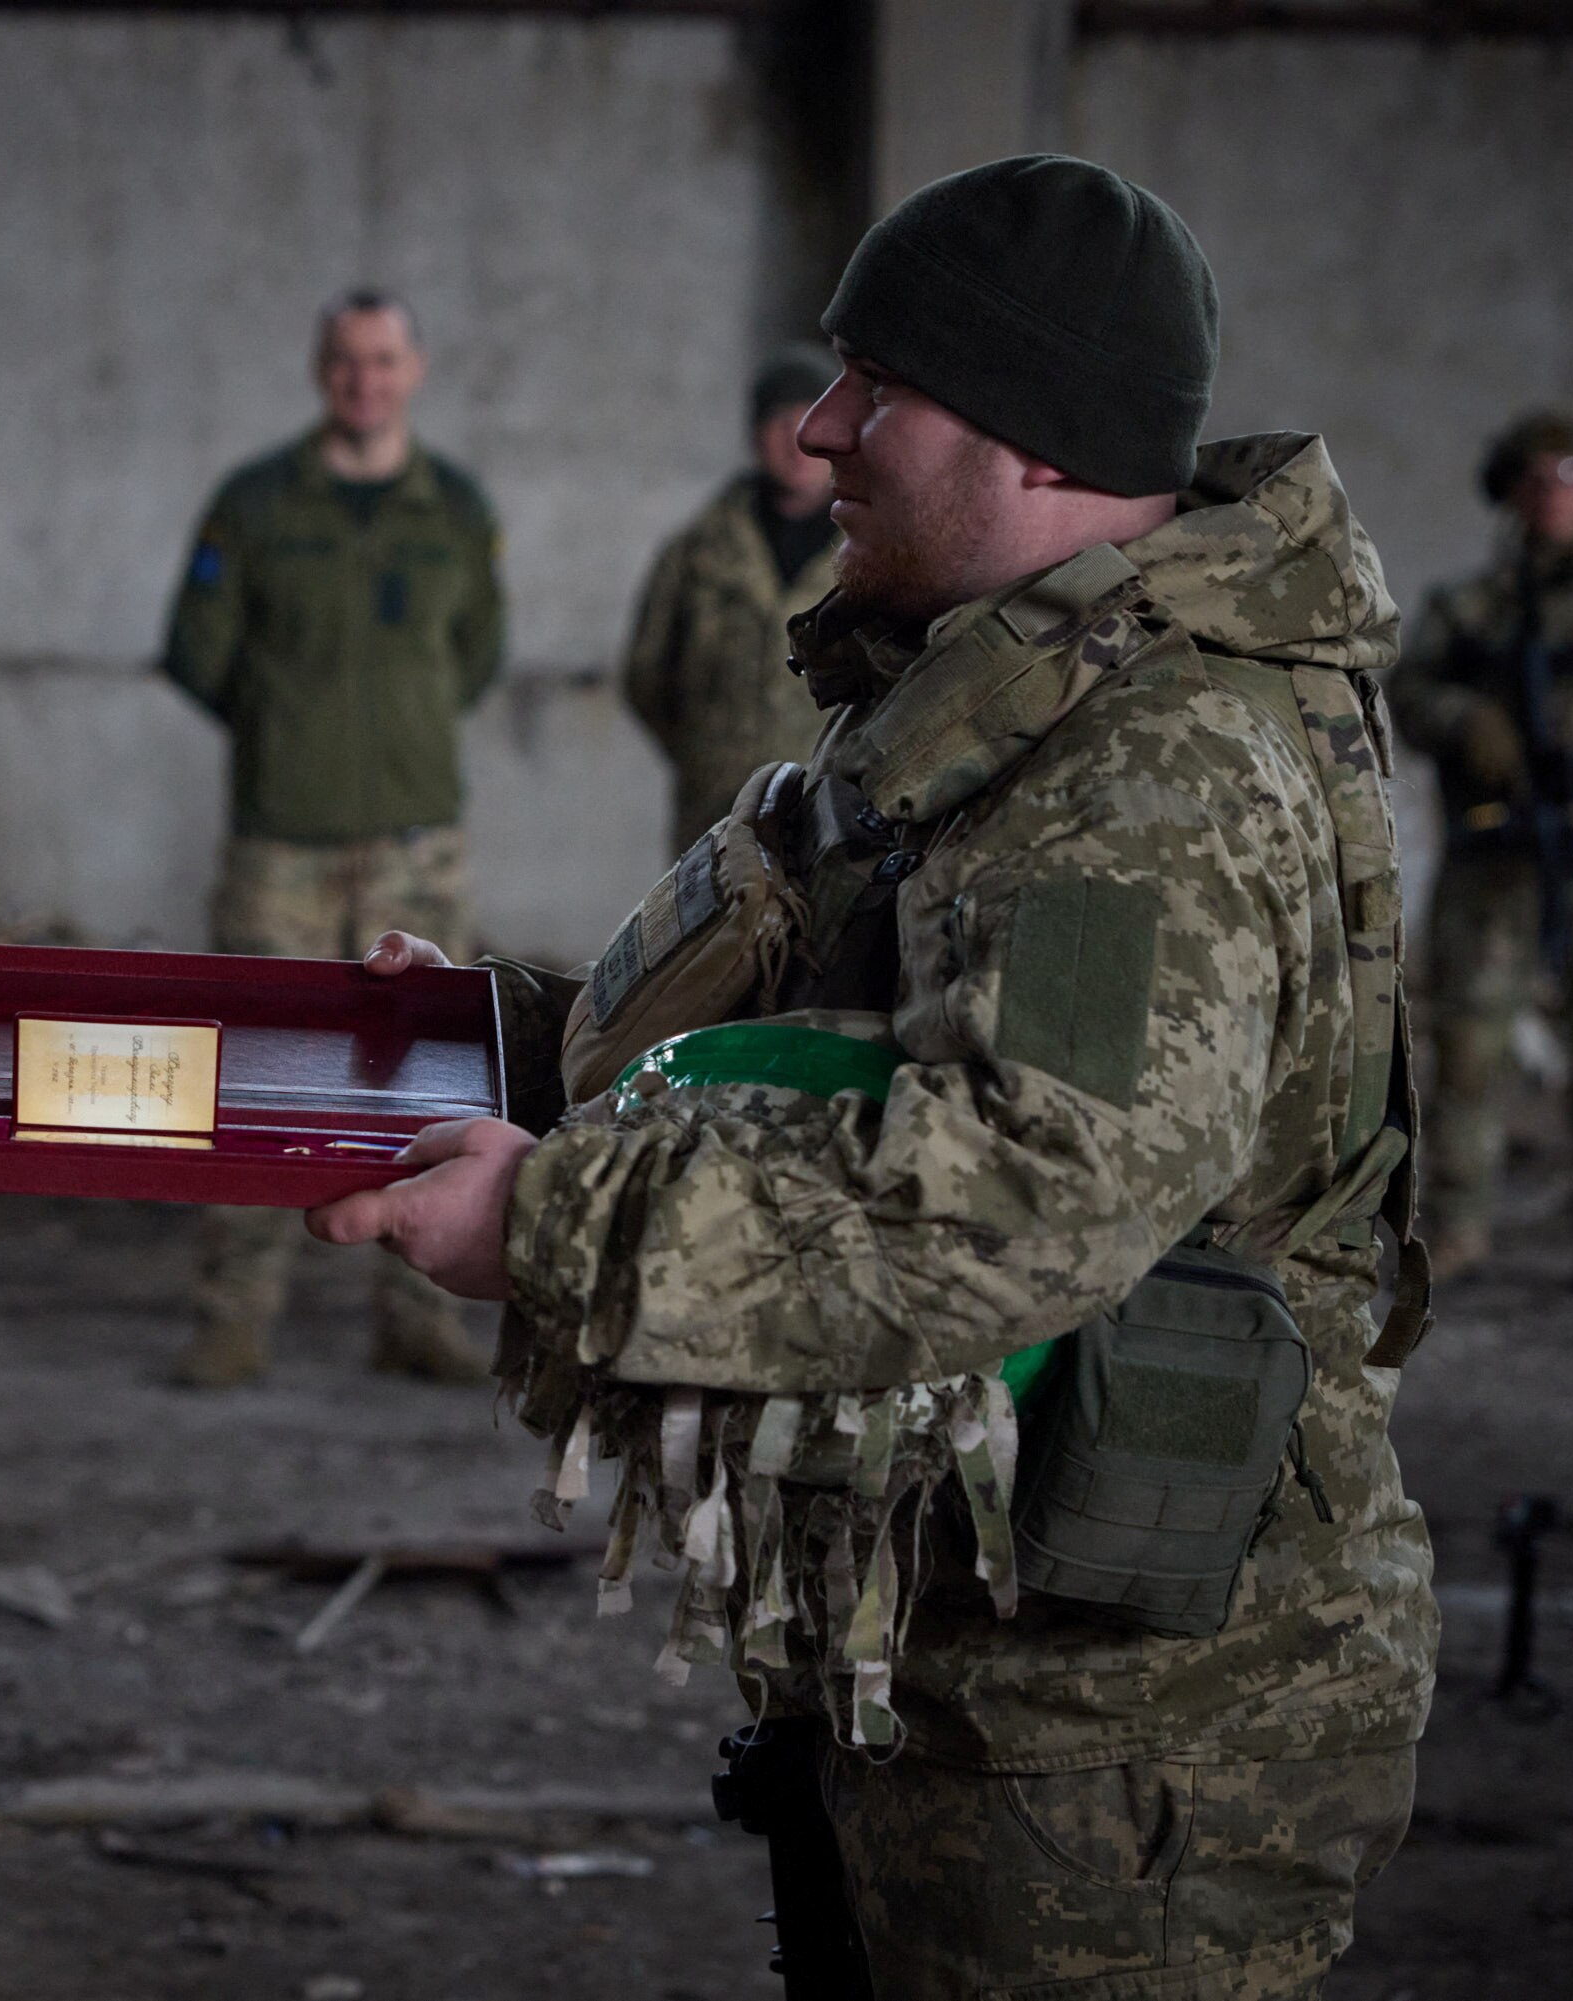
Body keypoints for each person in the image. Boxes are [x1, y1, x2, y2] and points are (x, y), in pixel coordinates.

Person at [315, 157, 1437, 1997]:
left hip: (1118, 1732)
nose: (819, 433)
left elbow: (1012, 1196)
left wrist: (545, 1211)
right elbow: (825, 1029)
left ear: (1037, 443)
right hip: (975, 1652)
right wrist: (513, 1040)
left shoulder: (1151, 775)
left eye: (877, 392)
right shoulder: (1000, 692)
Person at [159, 288, 505, 1390]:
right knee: (251, 1077)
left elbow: (480, 654)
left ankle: (421, 1318)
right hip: (284, 848)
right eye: (347, 362)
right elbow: (198, 654)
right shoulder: (255, 504)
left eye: (385, 360)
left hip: (418, 843)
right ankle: (234, 1319)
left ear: (416, 369)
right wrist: (292, 736)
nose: (366, 381)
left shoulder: (454, 505)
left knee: (429, 1083)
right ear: (322, 372)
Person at [1385, 411, 1573, 1296]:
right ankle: (1456, 1226)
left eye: (1570, 473)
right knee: (1470, 1048)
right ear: (1509, 489)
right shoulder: (1470, 608)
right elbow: (1406, 690)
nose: (1551, 491)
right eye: (1533, 474)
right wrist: (1467, 719)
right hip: (1493, 866)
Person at [621, 345, 844, 856]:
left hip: (828, 811)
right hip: (715, 814)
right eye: (779, 421)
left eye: (810, 418)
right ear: (754, 434)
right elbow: (647, 674)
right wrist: (707, 752)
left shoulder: (869, 554)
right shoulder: (701, 550)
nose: (797, 440)